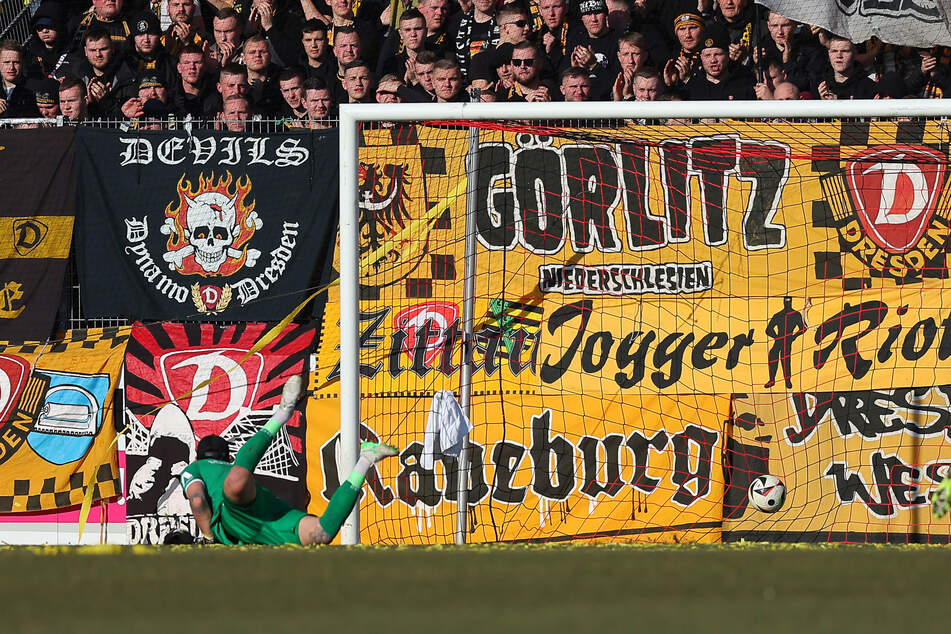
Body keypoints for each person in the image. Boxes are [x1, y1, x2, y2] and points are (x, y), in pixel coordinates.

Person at [180, 376, 399, 545]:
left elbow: (198, 500)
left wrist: (207, 538)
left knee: (237, 483)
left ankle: (283, 414)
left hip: (235, 515)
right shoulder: (227, 468)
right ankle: (366, 458)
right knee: (322, 534)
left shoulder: (193, 468)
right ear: (228, 458)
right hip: (265, 517)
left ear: (197, 457)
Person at [0, 40, 40, 118]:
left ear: (23, 63)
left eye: (16, 62)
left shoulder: (34, 90)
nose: (11, 68)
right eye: (6, 62)